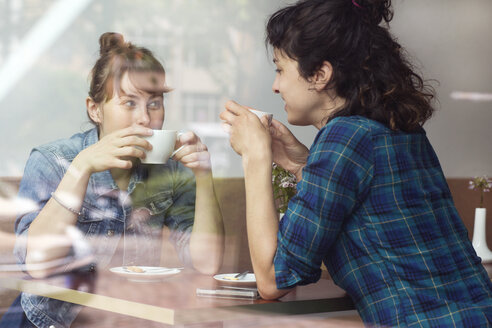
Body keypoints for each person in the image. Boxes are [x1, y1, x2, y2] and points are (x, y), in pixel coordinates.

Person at [220, 0, 492, 326]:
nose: (275, 85)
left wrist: (255, 156)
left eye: (280, 69)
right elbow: (365, 207)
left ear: (320, 74)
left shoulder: (343, 139)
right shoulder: (395, 128)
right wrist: (300, 164)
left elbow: (273, 278)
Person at [1, 32, 224, 328]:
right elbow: (37, 264)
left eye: (154, 103)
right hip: (48, 322)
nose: (145, 118)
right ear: (95, 110)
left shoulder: (170, 171)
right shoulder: (53, 160)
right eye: (129, 103)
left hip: (125, 319)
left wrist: (203, 176)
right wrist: (82, 168)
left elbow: (207, 263)